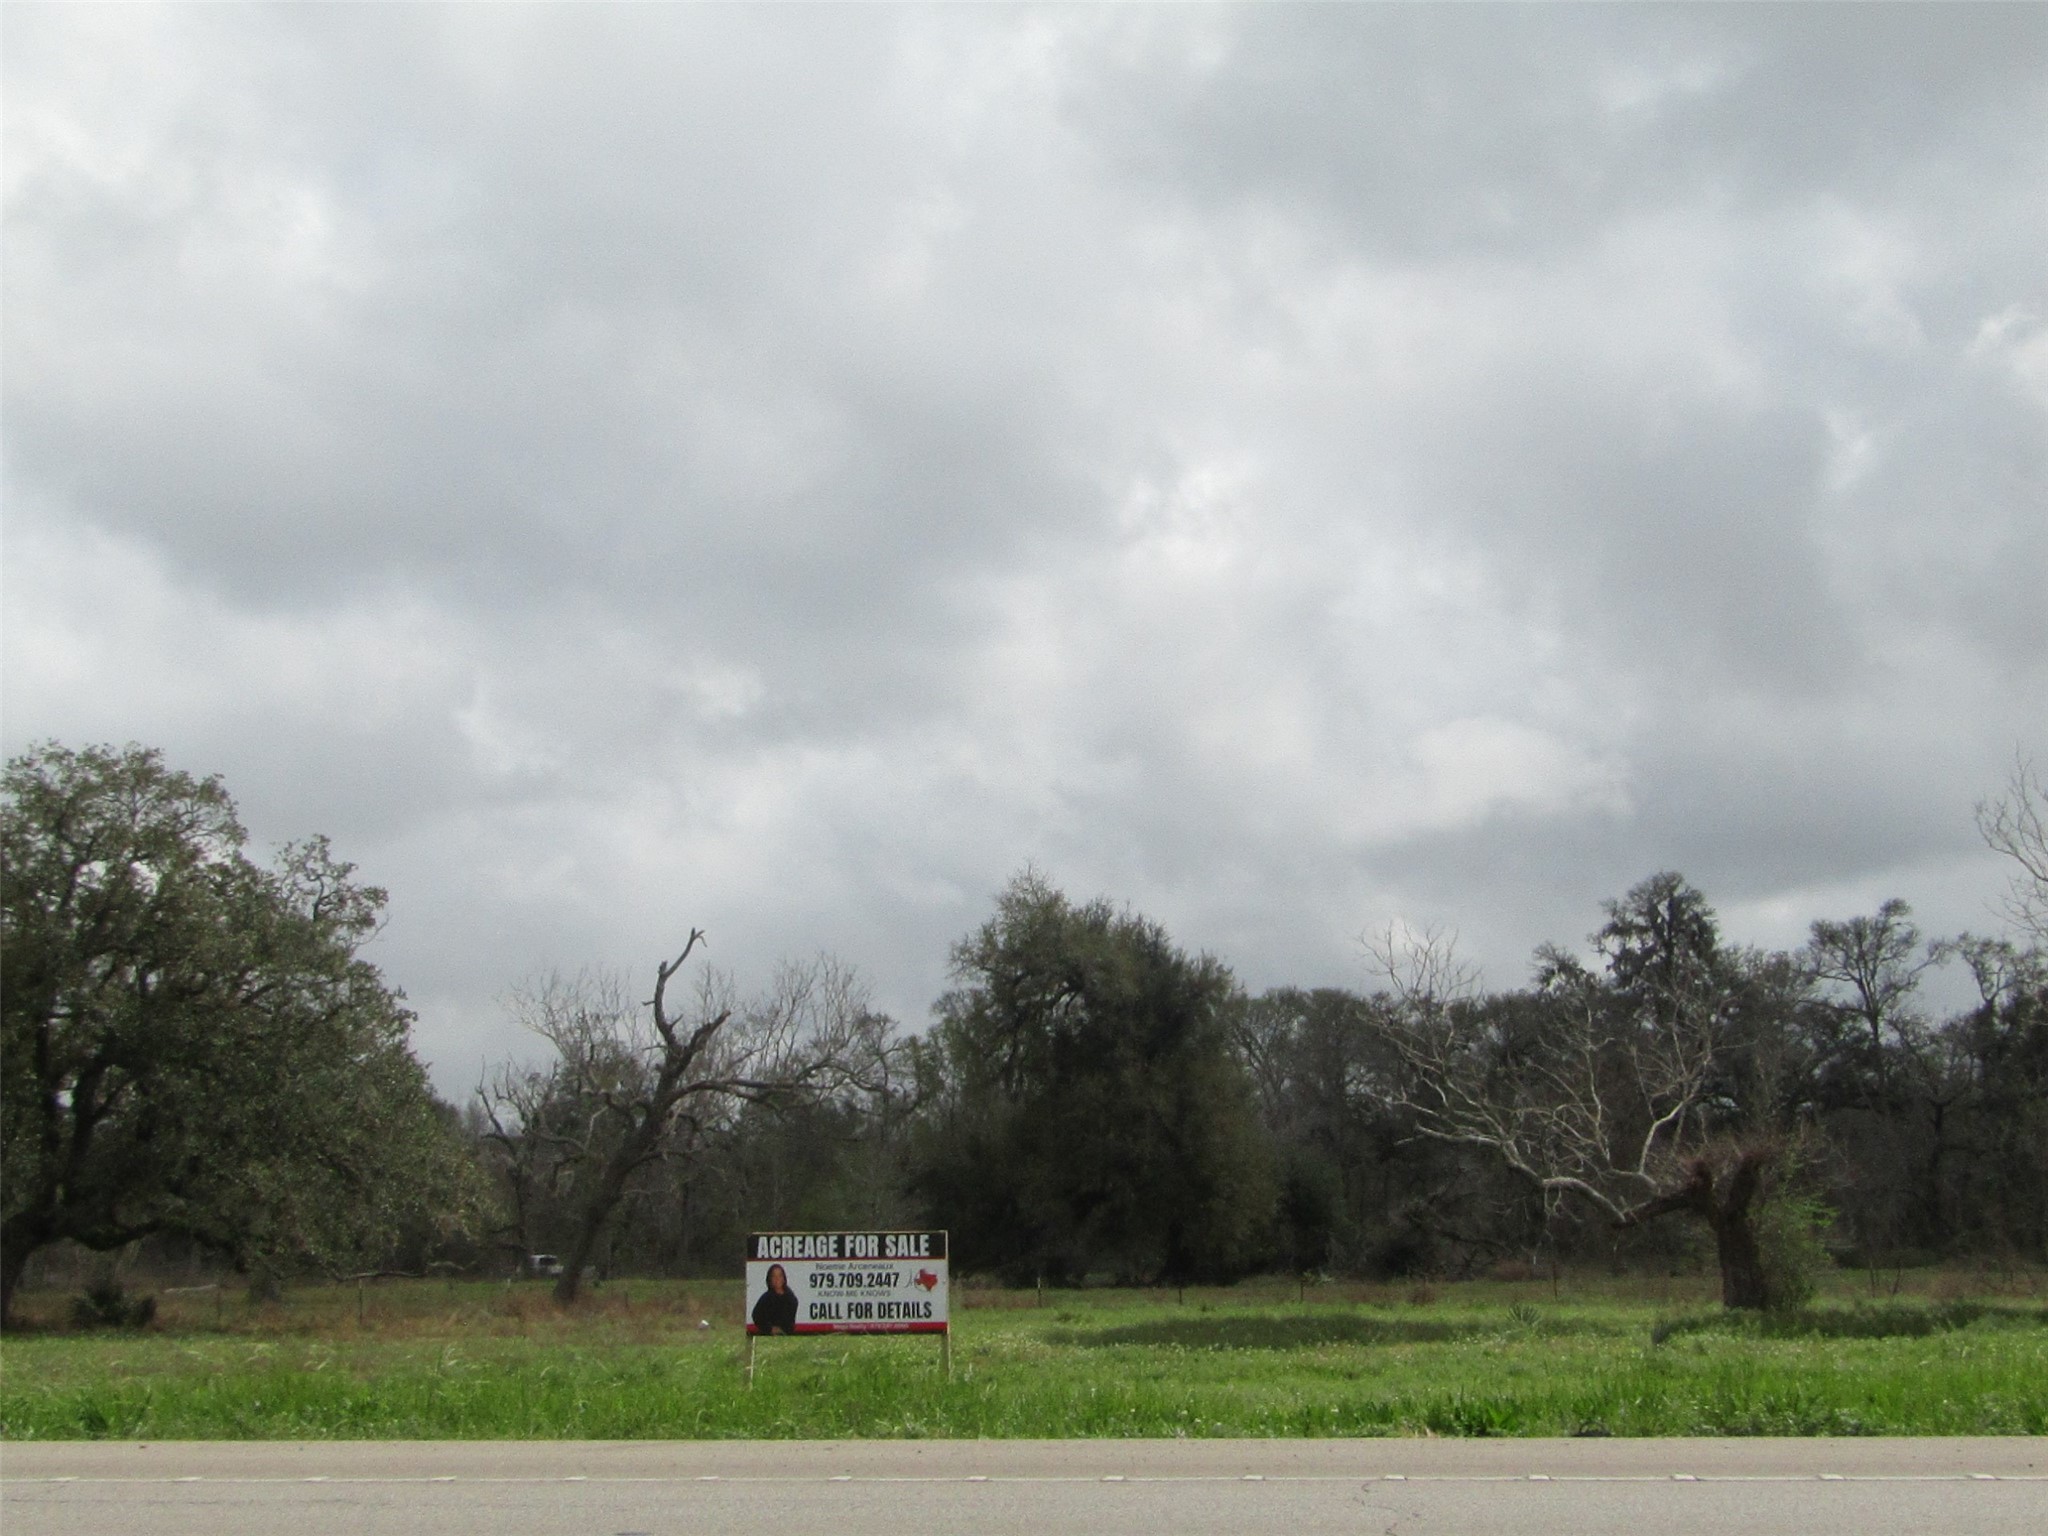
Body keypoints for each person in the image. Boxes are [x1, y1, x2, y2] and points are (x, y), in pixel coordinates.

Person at [752, 1263, 799, 1334]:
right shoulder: (766, 1298)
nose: (777, 1279)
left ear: (784, 1278)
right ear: (770, 1279)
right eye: (774, 1276)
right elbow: (756, 1316)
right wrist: (770, 1329)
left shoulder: (791, 1298)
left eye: (780, 1276)